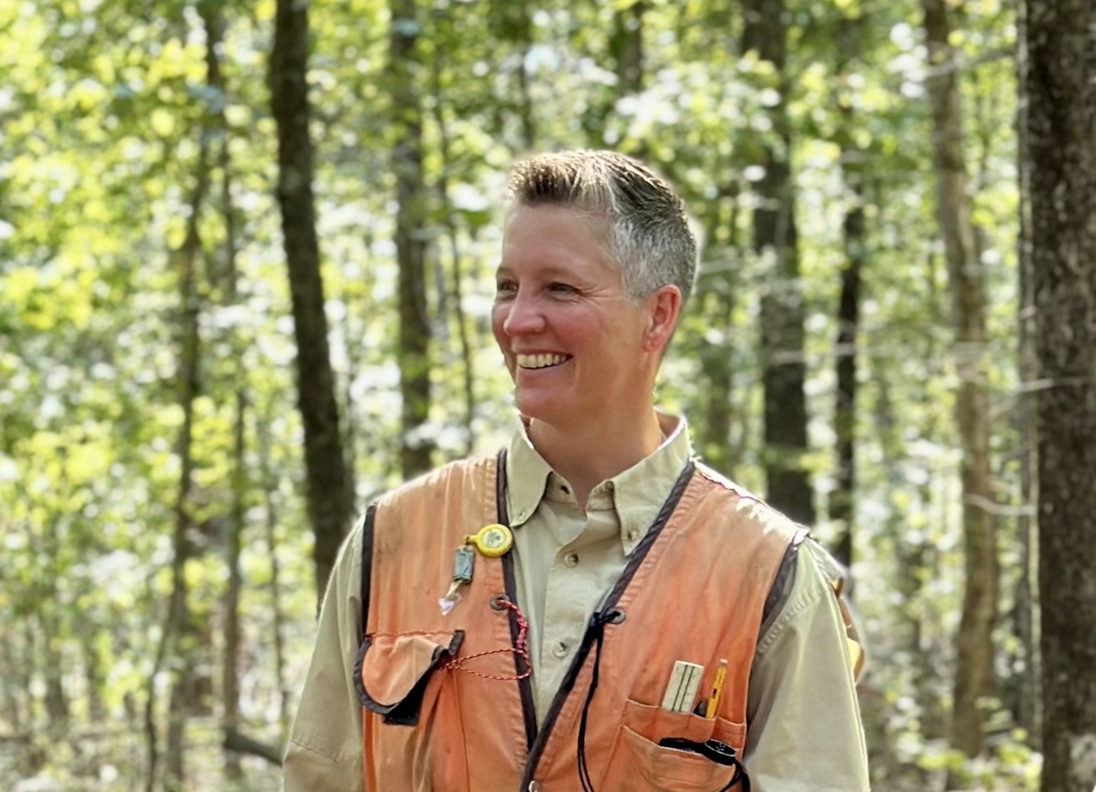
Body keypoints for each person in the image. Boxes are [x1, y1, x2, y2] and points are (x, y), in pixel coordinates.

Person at [283, 150, 869, 792]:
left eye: (559, 288)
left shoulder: (772, 575)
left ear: (658, 315)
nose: (517, 320)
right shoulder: (392, 538)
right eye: (507, 286)